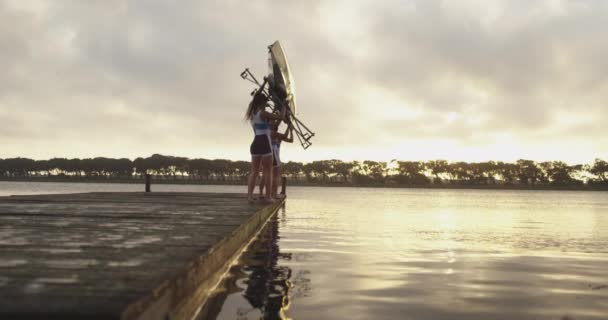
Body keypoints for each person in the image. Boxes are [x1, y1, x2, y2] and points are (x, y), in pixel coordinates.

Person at [245, 92, 286, 203]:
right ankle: (268, 197)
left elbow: (273, 123)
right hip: (264, 143)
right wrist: (284, 106)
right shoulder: (263, 113)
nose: (266, 103)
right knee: (268, 171)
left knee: (254, 172)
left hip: (255, 143)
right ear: (262, 102)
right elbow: (281, 117)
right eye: (265, 102)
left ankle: (249, 196)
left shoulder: (252, 114)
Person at [260, 120, 293, 198]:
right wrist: (289, 127)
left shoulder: (275, 135)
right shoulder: (271, 133)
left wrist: (291, 130)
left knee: (266, 176)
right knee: (273, 176)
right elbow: (285, 136)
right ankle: (271, 193)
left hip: (268, 156)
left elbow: (291, 140)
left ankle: (265, 193)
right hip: (272, 156)